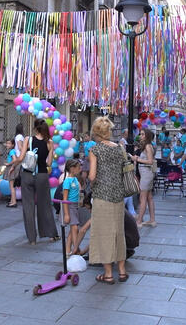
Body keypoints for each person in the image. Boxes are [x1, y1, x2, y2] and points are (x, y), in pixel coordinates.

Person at [88, 117, 128, 284]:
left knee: (103, 233)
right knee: (118, 233)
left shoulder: (95, 150)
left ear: (96, 132)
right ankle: (122, 271)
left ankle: (108, 274)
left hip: (102, 197)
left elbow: (92, 176)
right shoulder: (120, 148)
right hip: (118, 196)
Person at [11, 119, 58, 244]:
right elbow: (49, 163)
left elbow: (21, 158)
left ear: (35, 128)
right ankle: (51, 234)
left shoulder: (28, 139)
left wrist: (11, 164)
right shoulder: (49, 142)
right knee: (45, 205)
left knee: (28, 206)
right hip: (42, 176)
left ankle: (32, 239)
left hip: (27, 175)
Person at [132, 129, 156, 228]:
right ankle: (152, 219)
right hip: (146, 173)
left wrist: (137, 159)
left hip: (146, 173)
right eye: (140, 134)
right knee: (149, 197)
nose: (140, 136)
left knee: (143, 198)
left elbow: (150, 161)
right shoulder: (148, 146)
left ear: (147, 136)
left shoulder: (147, 146)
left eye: (142, 134)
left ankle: (139, 221)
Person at [62, 159, 82, 256]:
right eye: (78, 168)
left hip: (75, 206)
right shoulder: (67, 181)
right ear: (72, 169)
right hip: (70, 206)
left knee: (73, 228)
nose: (80, 169)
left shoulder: (75, 179)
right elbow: (65, 198)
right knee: (75, 228)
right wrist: (66, 214)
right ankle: (76, 249)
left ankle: (68, 250)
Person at [6, 124, 25, 208]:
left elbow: (20, 148)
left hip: (17, 161)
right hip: (18, 160)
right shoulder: (20, 137)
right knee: (13, 184)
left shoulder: (18, 137)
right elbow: (21, 148)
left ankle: (13, 201)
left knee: (12, 184)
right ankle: (12, 200)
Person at [3, 139, 18, 205]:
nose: (7, 145)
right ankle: (12, 200)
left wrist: (8, 164)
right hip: (12, 168)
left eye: (9, 143)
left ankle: (14, 202)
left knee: (11, 186)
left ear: (13, 145)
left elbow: (14, 159)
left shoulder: (12, 151)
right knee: (12, 186)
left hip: (11, 168)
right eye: (7, 143)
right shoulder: (13, 151)